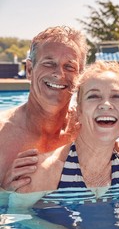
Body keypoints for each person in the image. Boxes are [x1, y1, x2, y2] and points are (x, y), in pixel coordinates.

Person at [12, 61, 119, 194]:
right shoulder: (45, 171)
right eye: (93, 96)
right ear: (79, 113)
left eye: (117, 96)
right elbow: (18, 217)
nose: (106, 104)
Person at [0, 26, 88, 188]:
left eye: (69, 67)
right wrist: (5, 194)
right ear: (29, 69)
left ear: (80, 77)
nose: (59, 74)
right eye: (49, 63)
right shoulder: (2, 135)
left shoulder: (87, 130)